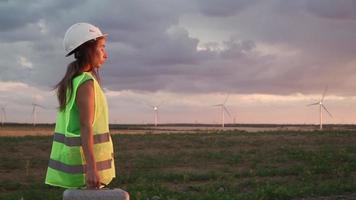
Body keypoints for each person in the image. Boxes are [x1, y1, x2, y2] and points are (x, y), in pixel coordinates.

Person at [45, 22, 129, 199]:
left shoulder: (74, 81)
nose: (105, 55)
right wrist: (92, 168)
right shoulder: (85, 83)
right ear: (88, 50)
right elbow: (86, 126)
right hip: (87, 167)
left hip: (79, 162)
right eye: (102, 48)